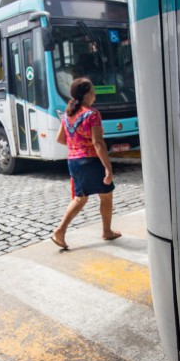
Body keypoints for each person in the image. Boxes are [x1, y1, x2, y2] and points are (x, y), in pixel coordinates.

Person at [50, 77, 121, 250]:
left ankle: (60, 231)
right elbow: (98, 143)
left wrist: (77, 145)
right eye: (93, 90)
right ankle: (106, 231)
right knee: (106, 195)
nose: (95, 94)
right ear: (88, 94)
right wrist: (108, 168)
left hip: (73, 161)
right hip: (90, 161)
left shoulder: (68, 114)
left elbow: (60, 139)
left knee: (80, 198)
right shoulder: (92, 114)